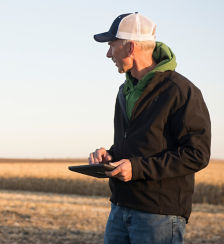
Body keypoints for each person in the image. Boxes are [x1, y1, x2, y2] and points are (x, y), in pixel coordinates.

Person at [90, 13, 211, 244]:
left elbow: (197, 155)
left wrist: (137, 169)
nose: (108, 54)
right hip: (119, 208)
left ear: (130, 47)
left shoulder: (180, 91)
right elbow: (137, 144)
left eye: (111, 46)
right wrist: (111, 155)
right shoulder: (124, 91)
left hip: (159, 215)